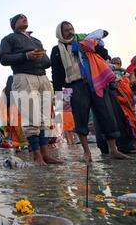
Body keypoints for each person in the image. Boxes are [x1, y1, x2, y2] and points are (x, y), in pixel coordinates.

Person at [50, 21, 130, 162]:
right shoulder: (57, 50)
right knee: (80, 118)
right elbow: (56, 73)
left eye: (71, 28)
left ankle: (113, 150)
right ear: (60, 33)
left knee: (106, 114)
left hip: (96, 82)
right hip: (75, 85)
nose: (70, 32)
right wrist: (58, 95)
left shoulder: (85, 42)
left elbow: (104, 55)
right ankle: (86, 152)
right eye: (66, 30)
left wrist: (91, 46)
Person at [0, 14, 63, 165]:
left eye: (26, 17)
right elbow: (4, 59)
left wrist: (41, 56)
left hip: (42, 77)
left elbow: (47, 62)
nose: (24, 18)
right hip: (24, 76)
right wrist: (25, 56)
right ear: (14, 24)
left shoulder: (36, 40)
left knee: (43, 118)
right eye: (20, 18)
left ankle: (45, 154)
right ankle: (37, 156)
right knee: (31, 117)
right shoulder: (9, 39)